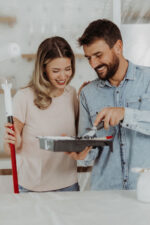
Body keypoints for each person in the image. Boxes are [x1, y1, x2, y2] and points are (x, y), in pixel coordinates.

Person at [69, 19, 150, 190]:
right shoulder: (87, 93)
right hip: (105, 194)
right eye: (88, 58)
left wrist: (125, 114)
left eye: (98, 55)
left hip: (144, 191)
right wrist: (80, 153)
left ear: (118, 47)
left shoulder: (148, 80)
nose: (93, 64)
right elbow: (88, 152)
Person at [4, 36, 80, 192]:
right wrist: (15, 141)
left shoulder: (71, 94)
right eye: (56, 70)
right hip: (32, 187)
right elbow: (10, 145)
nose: (63, 76)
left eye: (67, 69)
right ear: (43, 69)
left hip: (68, 185)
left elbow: (79, 137)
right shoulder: (24, 97)